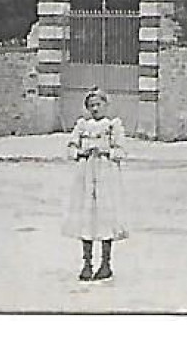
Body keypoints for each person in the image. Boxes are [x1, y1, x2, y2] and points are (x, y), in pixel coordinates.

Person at [63, 87, 127, 281]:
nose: (95, 109)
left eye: (99, 105)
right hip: (86, 174)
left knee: (105, 216)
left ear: (106, 105)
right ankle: (87, 263)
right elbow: (71, 148)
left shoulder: (113, 126)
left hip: (106, 173)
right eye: (91, 106)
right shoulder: (82, 125)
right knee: (86, 216)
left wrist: (105, 152)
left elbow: (121, 151)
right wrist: (81, 152)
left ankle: (106, 263)